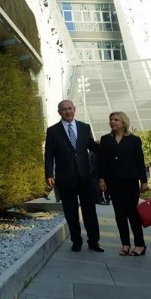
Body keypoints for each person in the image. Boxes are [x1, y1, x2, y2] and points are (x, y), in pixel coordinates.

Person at [45, 100, 104, 252]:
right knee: (71, 212)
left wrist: (111, 147)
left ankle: (94, 241)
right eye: (64, 109)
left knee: (89, 211)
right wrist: (49, 173)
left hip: (85, 177)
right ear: (59, 112)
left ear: (74, 109)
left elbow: (92, 146)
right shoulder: (52, 131)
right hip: (65, 178)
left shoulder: (84, 127)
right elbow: (49, 155)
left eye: (70, 108)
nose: (67, 111)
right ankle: (76, 241)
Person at [98, 111, 149, 256]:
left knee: (132, 213)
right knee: (119, 214)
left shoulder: (134, 140)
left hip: (130, 181)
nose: (113, 122)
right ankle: (125, 244)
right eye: (111, 119)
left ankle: (140, 244)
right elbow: (102, 162)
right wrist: (101, 179)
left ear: (123, 122)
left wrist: (144, 181)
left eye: (116, 119)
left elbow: (140, 161)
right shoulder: (105, 140)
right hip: (113, 183)